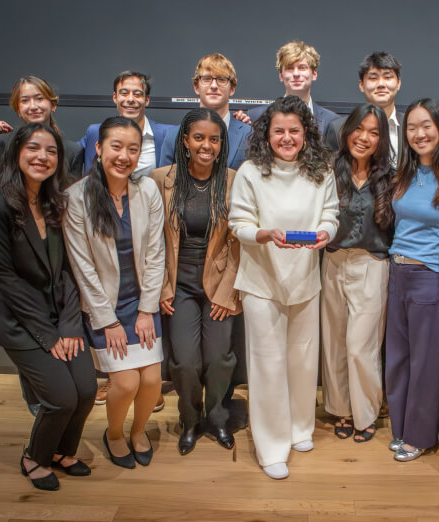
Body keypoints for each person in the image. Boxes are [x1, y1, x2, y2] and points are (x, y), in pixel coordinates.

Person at [0, 123, 95, 491]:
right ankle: (34, 457)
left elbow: (70, 269)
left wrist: (70, 325)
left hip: (62, 317)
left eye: (51, 151)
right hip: (20, 323)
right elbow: (5, 279)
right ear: (16, 153)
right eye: (33, 148)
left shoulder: (56, 202)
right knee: (61, 399)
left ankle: (62, 451)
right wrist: (48, 335)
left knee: (86, 390)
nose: (42, 156)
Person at [228, 95, 339, 479]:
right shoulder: (250, 172)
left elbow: (331, 214)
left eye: (294, 130)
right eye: (279, 131)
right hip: (262, 280)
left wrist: (326, 232)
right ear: (267, 134)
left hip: (305, 278)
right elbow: (238, 223)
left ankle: (299, 428)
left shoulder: (321, 171)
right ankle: (271, 446)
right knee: (268, 363)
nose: (287, 138)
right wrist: (265, 234)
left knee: (303, 359)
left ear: (306, 133)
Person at [63, 116, 166, 469]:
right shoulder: (76, 198)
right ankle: (115, 434)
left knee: (151, 381)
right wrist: (108, 321)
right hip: (104, 306)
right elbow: (83, 268)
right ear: (98, 148)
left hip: (142, 302)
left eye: (132, 149)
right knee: (124, 383)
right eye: (116, 147)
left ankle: (138, 431)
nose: (124, 156)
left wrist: (146, 310)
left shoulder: (147, 190)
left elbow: (156, 254)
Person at [151, 108, 241, 455]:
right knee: (185, 362)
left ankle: (217, 419)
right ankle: (190, 420)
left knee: (219, 358)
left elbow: (239, 243)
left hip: (218, 284)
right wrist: (162, 287)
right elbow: (152, 240)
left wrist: (228, 292)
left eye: (214, 139)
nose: (207, 145)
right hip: (179, 285)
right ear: (185, 140)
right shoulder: (161, 179)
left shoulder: (234, 180)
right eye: (199, 137)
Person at [385, 98, 439, 462]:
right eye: (411, 127)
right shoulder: (402, 174)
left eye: (426, 126)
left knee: (425, 362)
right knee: (397, 357)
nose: (419, 134)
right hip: (397, 272)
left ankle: (419, 435)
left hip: (429, 277)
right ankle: (401, 427)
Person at [321, 103, 394, 443]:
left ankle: (366, 412)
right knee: (334, 342)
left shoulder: (390, 177)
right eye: (359, 129)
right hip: (334, 261)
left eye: (374, 132)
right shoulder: (328, 171)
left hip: (372, 263)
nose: (364, 137)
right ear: (347, 130)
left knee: (360, 346)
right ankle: (342, 410)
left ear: (381, 139)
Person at [158, 54, 251, 170]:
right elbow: (165, 179)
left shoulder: (249, 135)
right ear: (196, 87)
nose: (214, 86)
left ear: (232, 88)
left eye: (222, 80)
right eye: (207, 79)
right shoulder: (174, 136)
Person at [0, 76, 84, 181]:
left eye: (39, 98)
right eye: (25, 100)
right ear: (18, 109)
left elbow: (74, 190)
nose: (33, 106)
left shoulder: (72, 151)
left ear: (53, 105)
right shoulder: (1, 143)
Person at [246, 41, 339, 137]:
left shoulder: (331, 121)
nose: (296, 74)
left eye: (302, 68)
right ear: (281, 75)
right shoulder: (255, 116)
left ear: (314, 74)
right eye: (289, 68)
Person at [325, 52, 403, 167]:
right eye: (373, 78)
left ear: (398, 83)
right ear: (361, 85)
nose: (381, 84)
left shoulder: (411, 126)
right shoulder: (339, 129)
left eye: (387, 77)